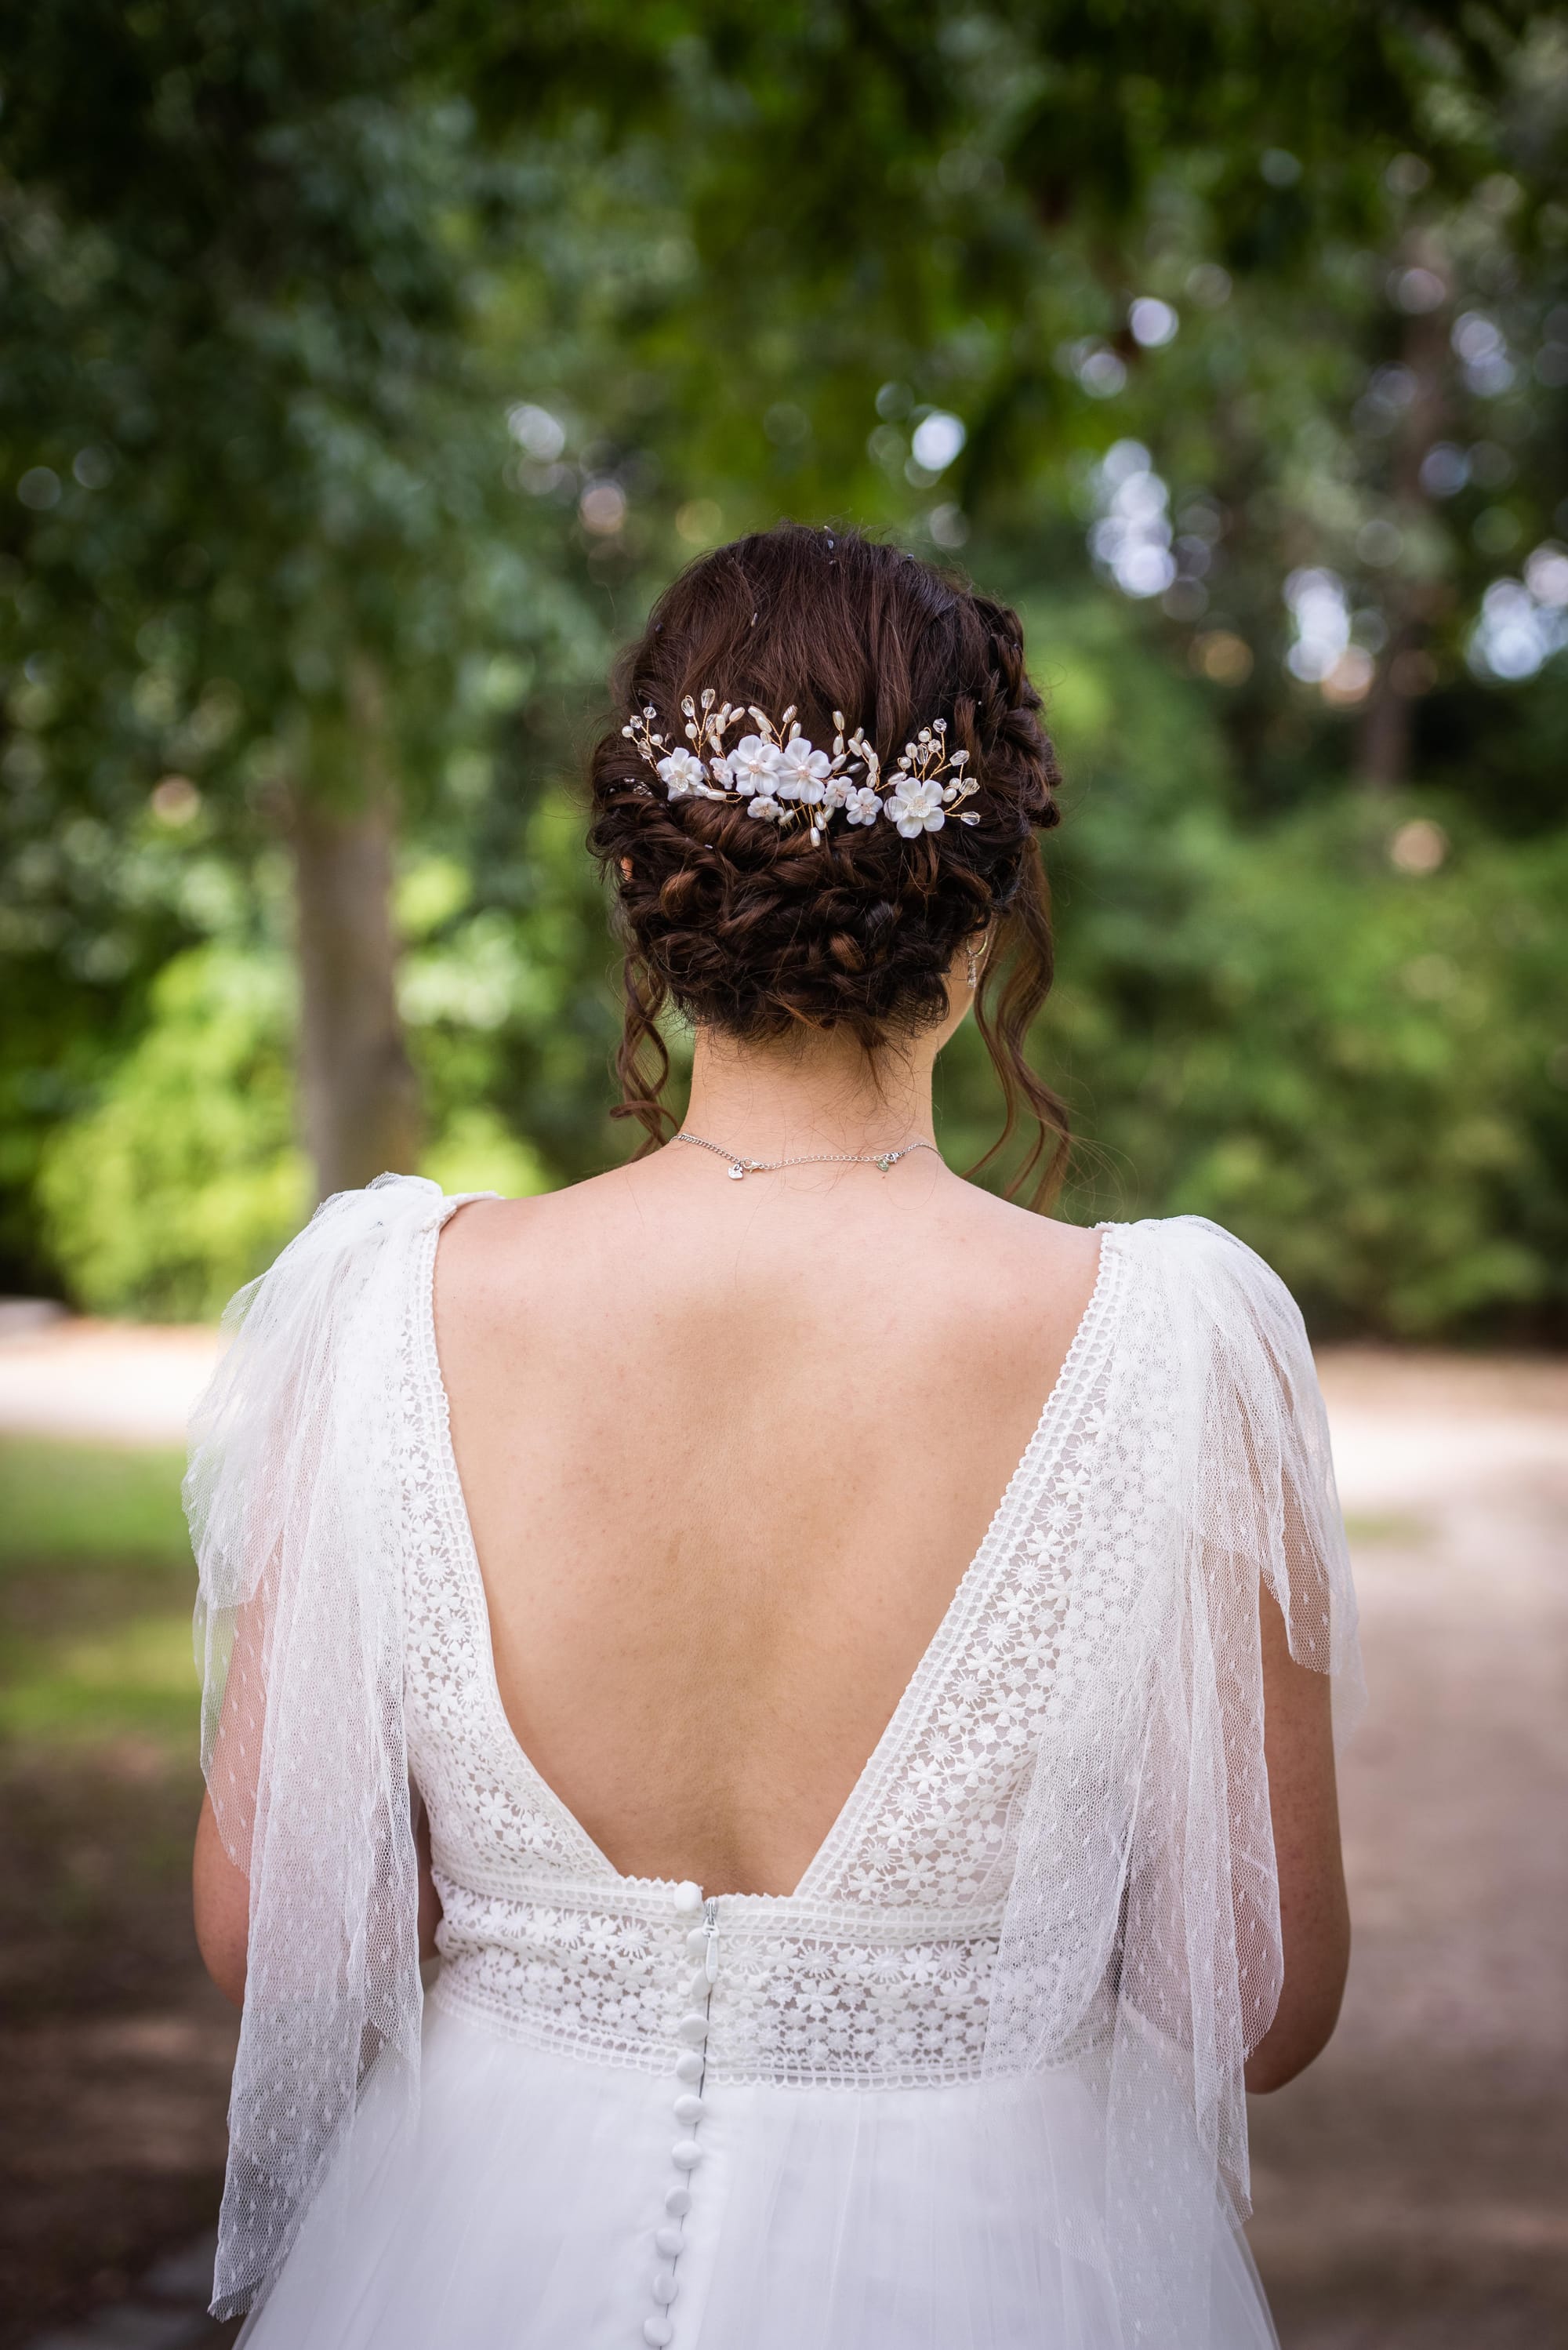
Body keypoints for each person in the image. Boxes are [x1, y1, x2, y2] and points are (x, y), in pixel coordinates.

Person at [189, 524, 1360, 2348]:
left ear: (654, 902)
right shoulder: (1179, 1344)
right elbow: (1259, 2000)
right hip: (990, 2254)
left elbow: (278, 1938)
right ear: (982, 913)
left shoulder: (379, 1305)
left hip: (471, 2247)